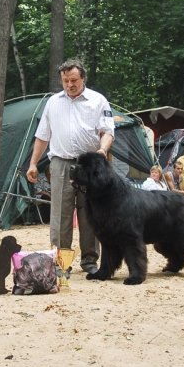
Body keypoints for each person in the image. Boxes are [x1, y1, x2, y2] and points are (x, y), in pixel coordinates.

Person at [26, 59, 115, 275]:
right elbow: (42, 136)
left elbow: (108, 131)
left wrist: (102, 151)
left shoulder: (98, 101)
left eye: (73, 80)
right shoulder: (53, 102)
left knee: (91, 212)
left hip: (90, 164)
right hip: (60, 163)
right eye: (65, 81)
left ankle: (90, 261)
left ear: (83, 78)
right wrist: (33, 164)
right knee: (60, 213)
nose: (69, 85)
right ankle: (60, 262)